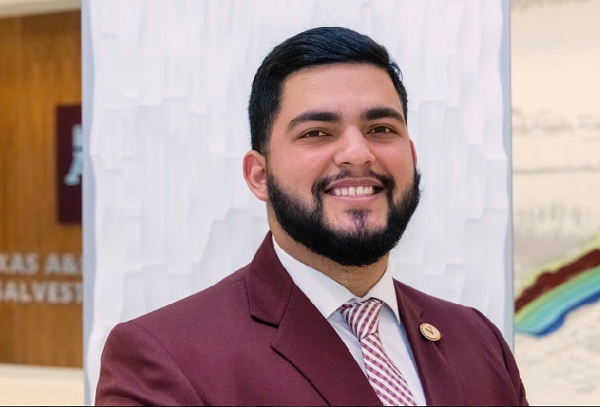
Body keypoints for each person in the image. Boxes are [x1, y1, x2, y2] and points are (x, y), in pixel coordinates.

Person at [95, 27, 527, 406]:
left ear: (411, 158)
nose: (358, 153)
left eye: (381, 129)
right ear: (259, 175)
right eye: (316, 133)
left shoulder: (478, 339)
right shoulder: (163, 357)